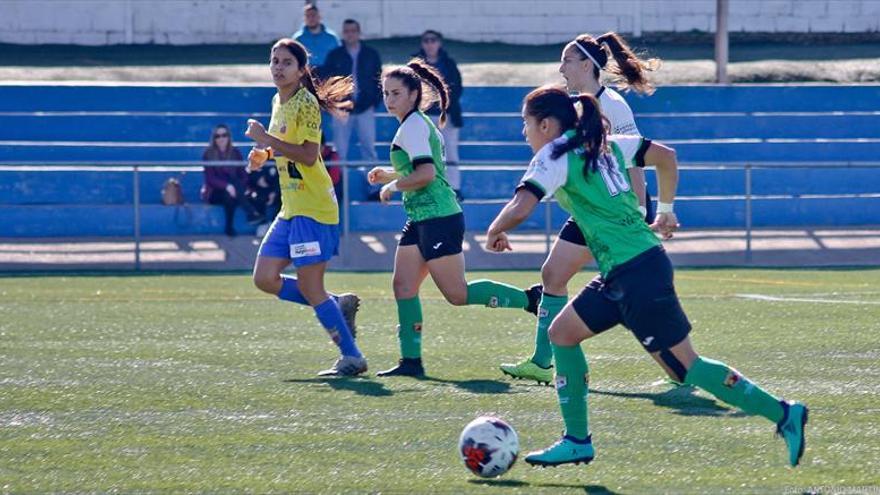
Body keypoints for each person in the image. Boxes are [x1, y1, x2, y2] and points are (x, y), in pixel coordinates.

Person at [485, 85, 808, 468]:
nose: (524, 132)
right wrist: (666, 208)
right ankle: (577, 440)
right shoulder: (603, 144)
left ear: (545, 124)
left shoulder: (553, 153)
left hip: (637, 273)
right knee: (562, 333)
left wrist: (494, 231)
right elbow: (666, 157)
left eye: (525, 124)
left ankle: (784, 413)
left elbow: (522, 206)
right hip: (626, 271)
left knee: (687, 368)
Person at [500, 32, 660, 385]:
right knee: (554, 276)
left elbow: (636, 161)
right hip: (593, 209)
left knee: (629, 292)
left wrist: (640, 209)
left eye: (567, 60)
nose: (561, 67)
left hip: (616, 212)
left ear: (587, 64)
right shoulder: (573, 104)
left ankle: (681, 363)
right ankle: (543, 362)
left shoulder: (613, 105)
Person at [366, 60, 540, 378]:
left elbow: (427, 174)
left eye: (396, 93)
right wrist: (390, 173)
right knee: (403, 285)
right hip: (420, 218)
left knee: (457, 295)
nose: (389, 100)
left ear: (414, 94)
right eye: (385, 93)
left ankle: (531, 299)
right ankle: (411, 362)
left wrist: (393, 184)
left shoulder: (415, 126)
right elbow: (422, 168)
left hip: (438, 218)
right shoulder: (411, 125)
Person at [245, 38, 365, 377]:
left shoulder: (306, 102)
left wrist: (265, 141)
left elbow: (310, 154)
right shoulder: (277, 101)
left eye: (286, 62)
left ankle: (352, 357)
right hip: (291, 207)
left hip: (313, 208)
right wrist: (263, 155)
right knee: (265, 278)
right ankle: (335, 305)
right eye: (274, 61)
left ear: (301, 70)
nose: (278, 67)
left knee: (312, 288)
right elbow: (283, 146)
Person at [319, 19, 382, 165]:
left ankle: (373, 187)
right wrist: (332, 104)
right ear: (343, 33)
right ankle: (339, 184)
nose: (350, 34)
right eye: (347, 31)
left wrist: (374, 102)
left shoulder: (371, 54)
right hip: (341, 109)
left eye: (353, 31)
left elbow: (378, 79)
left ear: (359, 33)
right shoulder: (335, 55)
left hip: (365, 107)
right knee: (340, 150)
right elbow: (327, 80)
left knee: (369, 148)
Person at [416, 30, 463, 199]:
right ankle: (425, 188)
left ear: (439, 43)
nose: (430, 44)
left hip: (446, 115)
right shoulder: (414, 64)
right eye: (426, 40)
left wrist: (445, 105)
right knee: (424, 153)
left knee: (450, 151)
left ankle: (455, 189)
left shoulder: (449, 64)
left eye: (433, 40)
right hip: (423, 116)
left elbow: (457, 88)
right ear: (422, 43)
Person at [200, 124, 263, 237]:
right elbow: (210, 179)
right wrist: (227, 186)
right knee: (228, 193)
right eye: (217, 136)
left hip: (235, 189)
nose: (221, 139)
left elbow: (242, 174)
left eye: (224, 135)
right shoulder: (208, 154)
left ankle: (229, 227)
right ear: (214, 139)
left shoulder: (235, 152)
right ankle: (251, 213)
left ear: (229, 137)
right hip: (214, 192)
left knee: (232, 193)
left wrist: (241, 188)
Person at [292, 3, 339, 70]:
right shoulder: (298, 38)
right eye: (308, 16)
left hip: (328, 74)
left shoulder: (331, 38)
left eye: (313, 15)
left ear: (319, 16)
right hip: (305, 73)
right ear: (304, 18)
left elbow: (339, 58)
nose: (311, 18)